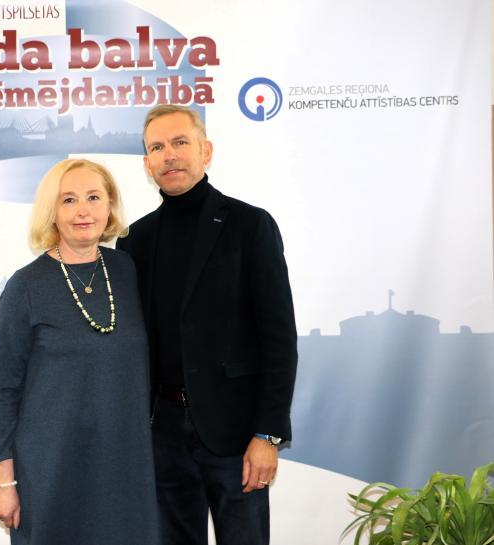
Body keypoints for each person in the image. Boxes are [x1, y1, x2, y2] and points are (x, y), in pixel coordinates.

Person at [116, 105, 297, 545]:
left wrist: (267, 434)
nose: (169, 155)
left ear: (206, 151)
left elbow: (278, 339)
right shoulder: (135, 240)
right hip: (162, 433)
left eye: (180, 142)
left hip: (237, 434)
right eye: (157, 147)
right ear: (147, 164)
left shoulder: (250, 225)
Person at [0, 158, 159, 545]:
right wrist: (3, 481)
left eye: (94, 197)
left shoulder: (127, 271)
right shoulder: (25, 286)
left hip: (125, 464)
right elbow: (4, 393)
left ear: (110, 205)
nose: (83, 210)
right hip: (50, 468)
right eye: (69, 200)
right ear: (52, 211)